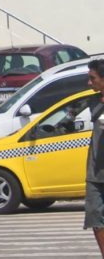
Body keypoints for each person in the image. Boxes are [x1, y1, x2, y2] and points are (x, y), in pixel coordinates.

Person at [85, 58, 104, 257]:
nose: (89, 82)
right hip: (95, 172)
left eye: (93, 78)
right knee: (95, 218)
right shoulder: (93, 102)